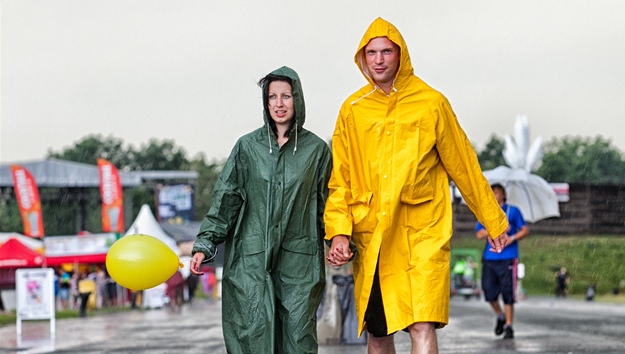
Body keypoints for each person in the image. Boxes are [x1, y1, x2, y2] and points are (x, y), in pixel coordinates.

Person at [324, 17, 509, 354]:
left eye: (386, 52)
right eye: (371, 52)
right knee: (379, 332)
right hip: (373, 235)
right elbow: (341, 180)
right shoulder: (352, 110)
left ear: (401, 55)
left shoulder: (431, 103)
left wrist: (492, 219)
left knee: (421, 323)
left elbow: (464, 165)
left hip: (422, 232)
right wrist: (339, 231)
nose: (379, 59)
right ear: (362, 58)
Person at [190, 66, 332, 353]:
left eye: (286, 96)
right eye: (272, 97)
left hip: (299, 265)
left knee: (298, 340)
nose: (279, 104)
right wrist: (205, 243)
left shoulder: (316, 150)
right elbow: (225, 200)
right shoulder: (247, 147)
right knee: (252, 338)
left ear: (298, 100)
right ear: (265, 102)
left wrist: (340, 239)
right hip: (250, 263)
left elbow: (329, 206)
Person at [475, 183, 529, 339]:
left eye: (497, 193)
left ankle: (509, 325)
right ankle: (500, 315)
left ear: (503, 195)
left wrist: (511, 237)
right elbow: (479, 234)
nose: (494, 196)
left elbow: (524, 230)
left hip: (507, 258)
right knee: (489, 291)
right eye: (492, 193)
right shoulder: (487, 213)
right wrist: (495, 229)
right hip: (490, 257)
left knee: (507, 292)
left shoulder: (513, 211)